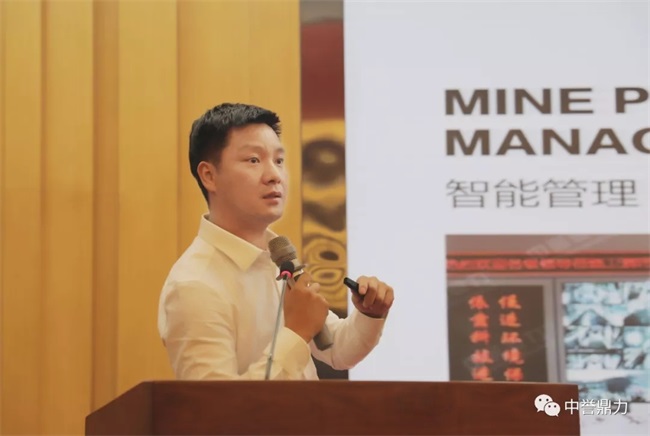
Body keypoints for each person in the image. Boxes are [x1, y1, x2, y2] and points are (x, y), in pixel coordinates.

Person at [157, 103, 395, 380]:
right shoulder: (193, 284)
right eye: (253, 160)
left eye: (279, 160)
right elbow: (217, 403)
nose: (274, 176)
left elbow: (334, 349)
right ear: (209, 176)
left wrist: (369, 314)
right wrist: (296, 333)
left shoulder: (280, 260)